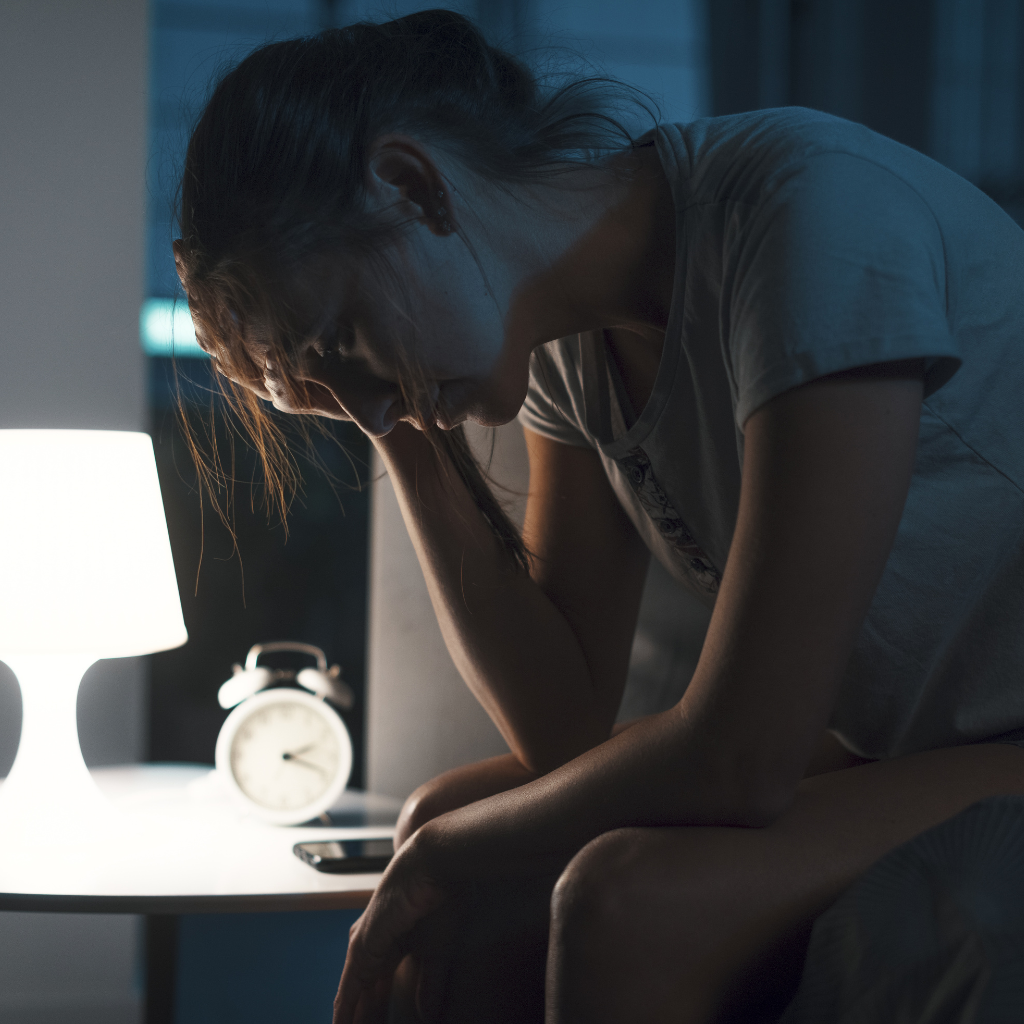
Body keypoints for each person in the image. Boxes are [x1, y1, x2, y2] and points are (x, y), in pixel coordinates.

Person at [172, 10, 1024, 1023]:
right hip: (925, 740)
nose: (363, 403)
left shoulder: (811, 215)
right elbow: (560, 722)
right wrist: (394, 423)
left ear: (412, 186)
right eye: (327, 384)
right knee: (447, 813)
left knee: (617, 898)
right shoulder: (566, 343)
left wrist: (445, 855)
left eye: (346, 336)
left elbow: (745, 756)